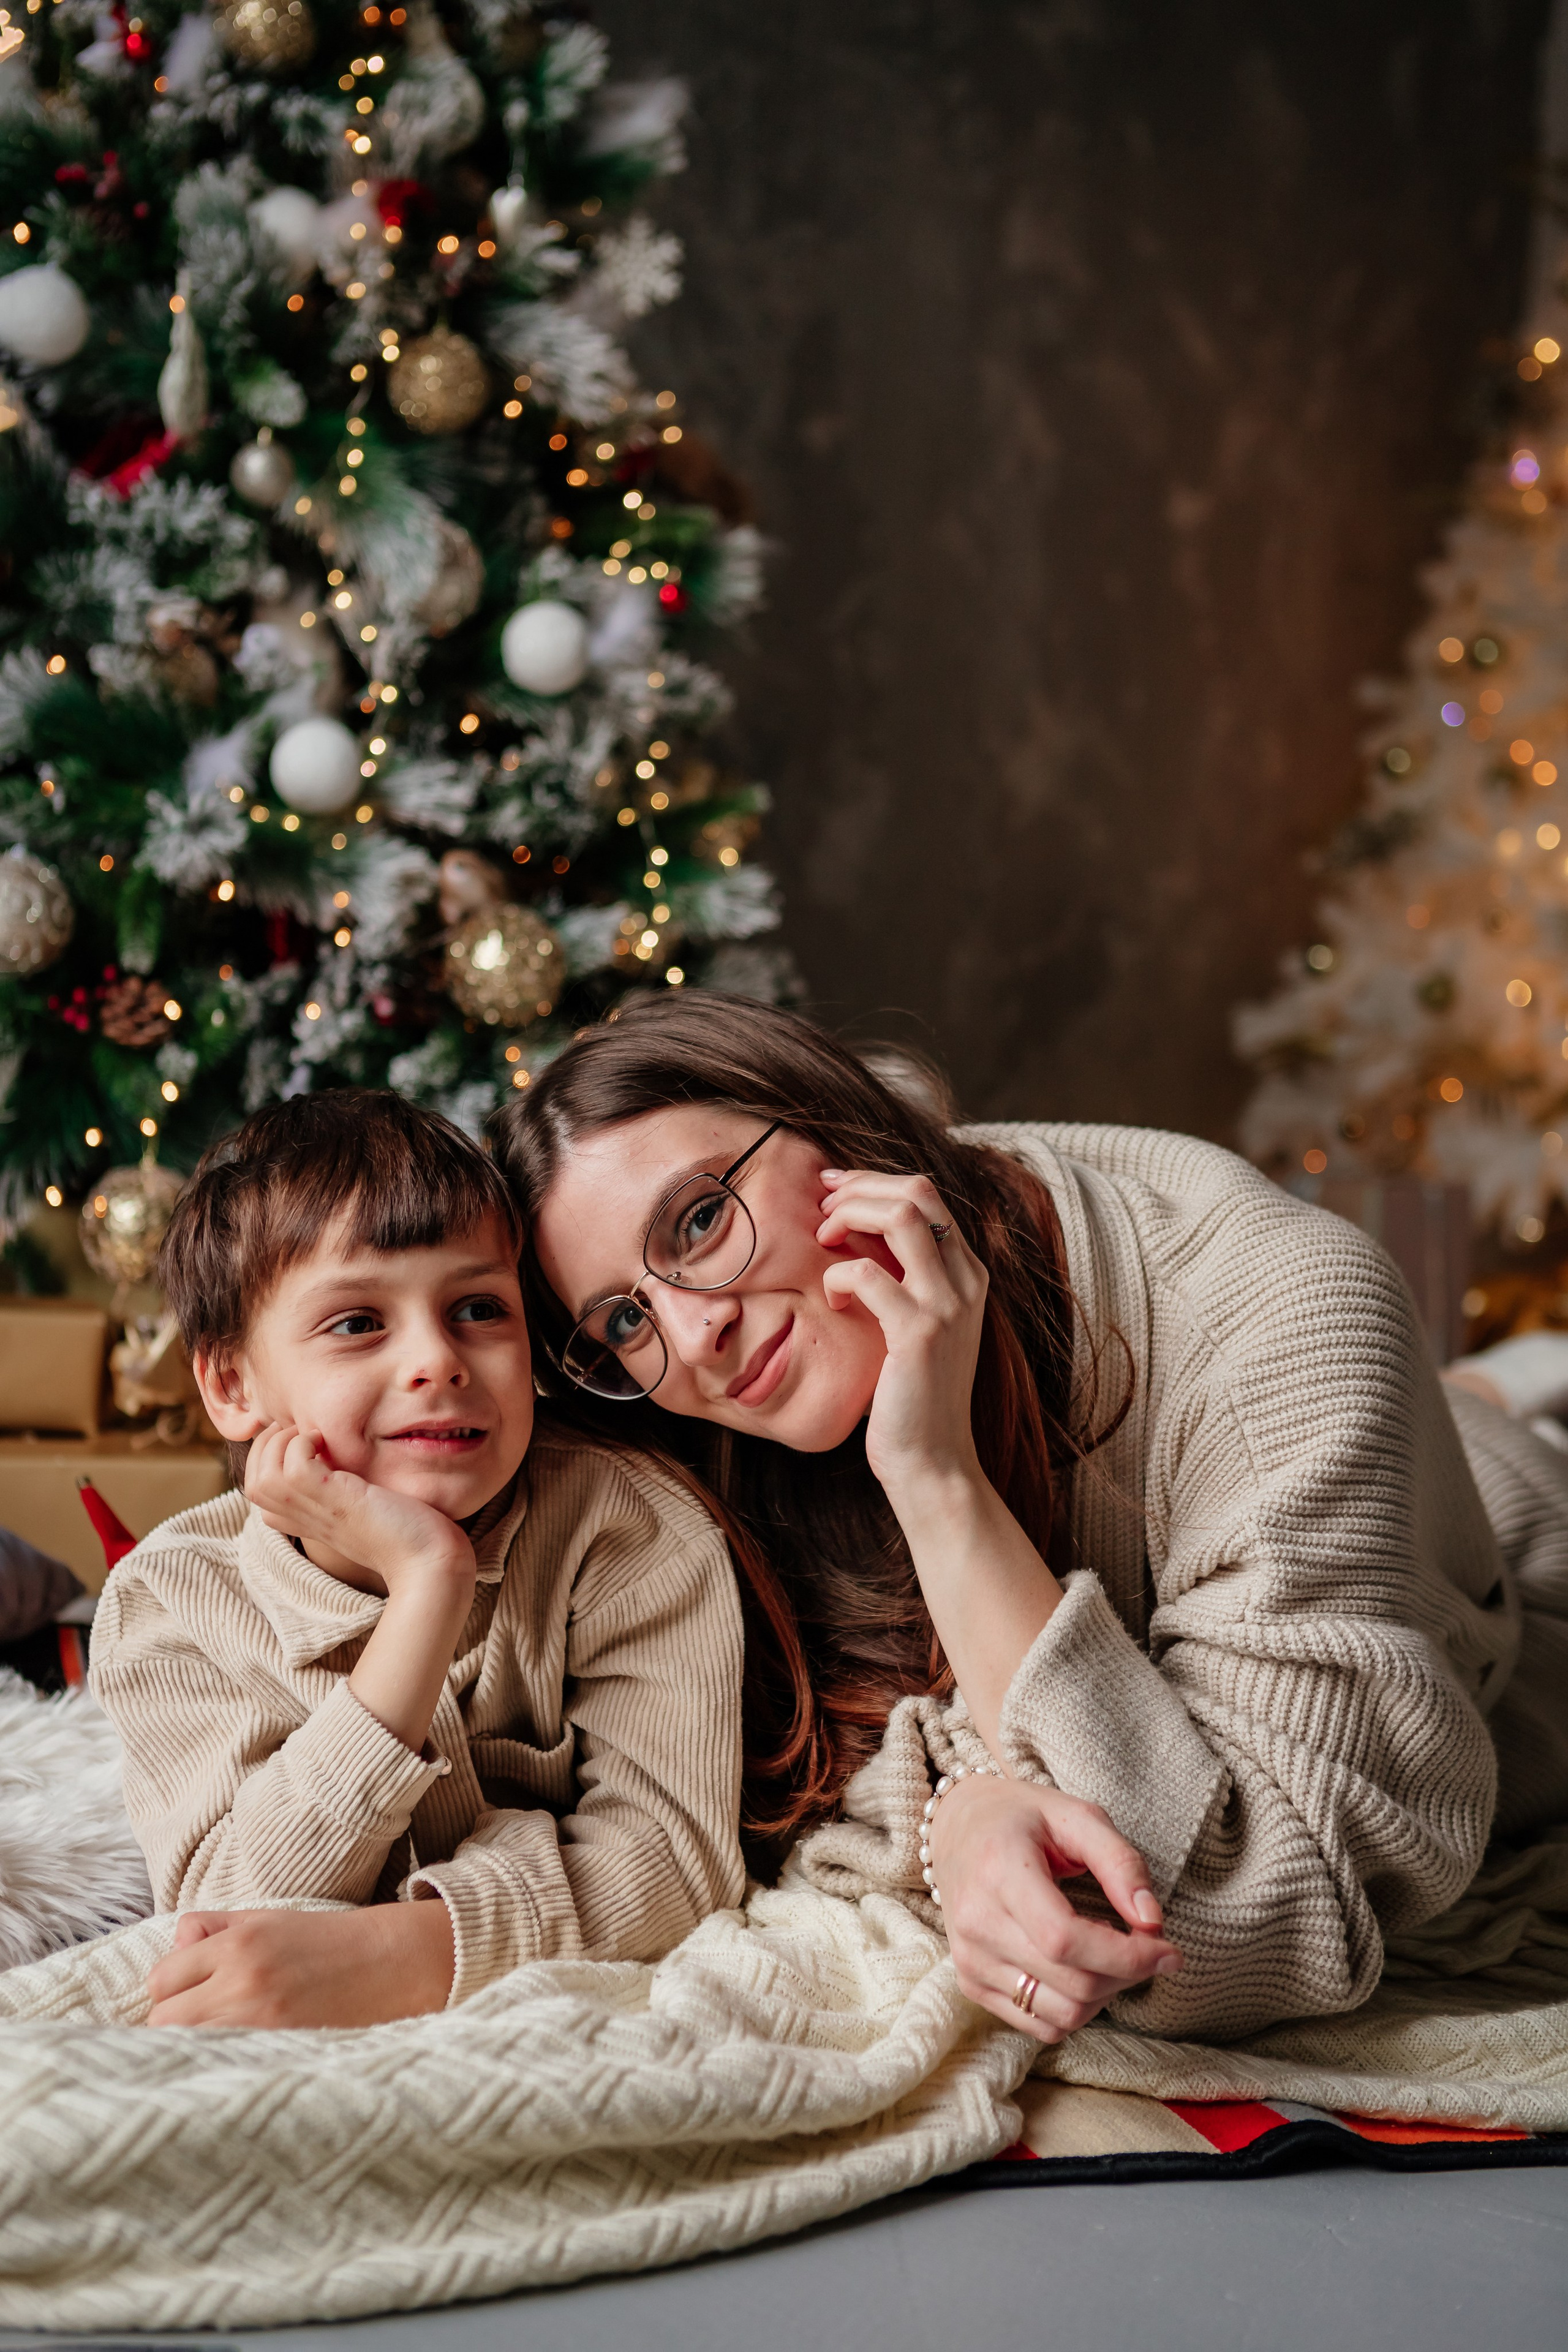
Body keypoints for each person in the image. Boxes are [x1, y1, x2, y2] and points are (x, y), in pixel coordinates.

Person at [501, 990, 1568, 2048]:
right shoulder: (705, 1425)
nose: (693, 1337)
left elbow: (1261, 1913)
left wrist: (935, 1477)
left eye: (698, 1220)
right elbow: (771, 1787)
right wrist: (963, 1810)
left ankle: (1518, 1384)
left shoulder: (1284, 1310)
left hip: (1524, 1562)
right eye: (625, 1318)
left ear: (828, 1121)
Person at [89, 1089, 744, 2028]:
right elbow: (224, 1916)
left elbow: (675, 1860)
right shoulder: (169, 1600)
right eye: (358, 1323)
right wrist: (427, 1591)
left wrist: (406, 1954)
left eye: (479, 1308)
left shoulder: (628, 1528)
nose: (438, 1360)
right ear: (233, 1386)